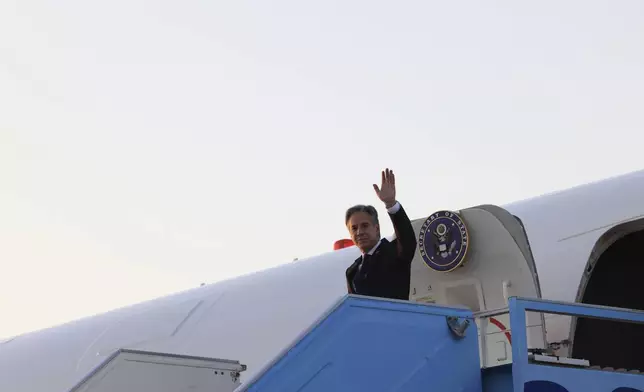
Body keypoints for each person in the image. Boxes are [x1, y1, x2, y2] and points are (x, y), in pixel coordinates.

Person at [344, 168, 417, 301]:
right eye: (354, 228)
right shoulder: (352, 272)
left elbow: (407, 239)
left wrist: (391, 204)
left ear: (376, 228)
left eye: (365, 226)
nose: (359, 232)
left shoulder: (394, 252)